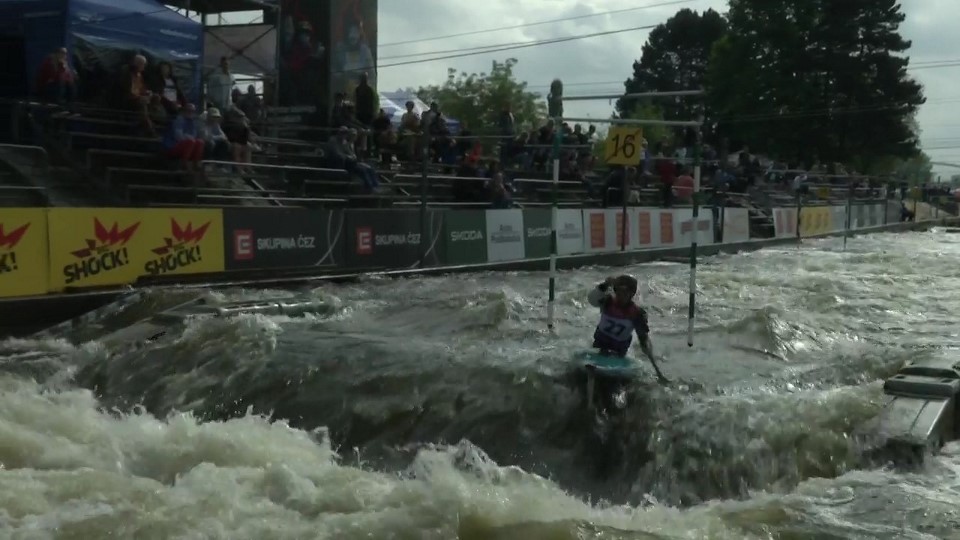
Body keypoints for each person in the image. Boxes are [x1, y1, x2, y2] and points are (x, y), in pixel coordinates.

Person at [587, 274, 658, 371]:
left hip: (618, 352)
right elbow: (591, 299)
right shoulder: (607, 302)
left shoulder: (637, 313)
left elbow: (643, 338)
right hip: (599, 346)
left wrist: (646, 347)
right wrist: (605, 285)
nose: (621, 295)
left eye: (625, 292)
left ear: (632, 294)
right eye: (618, 291)